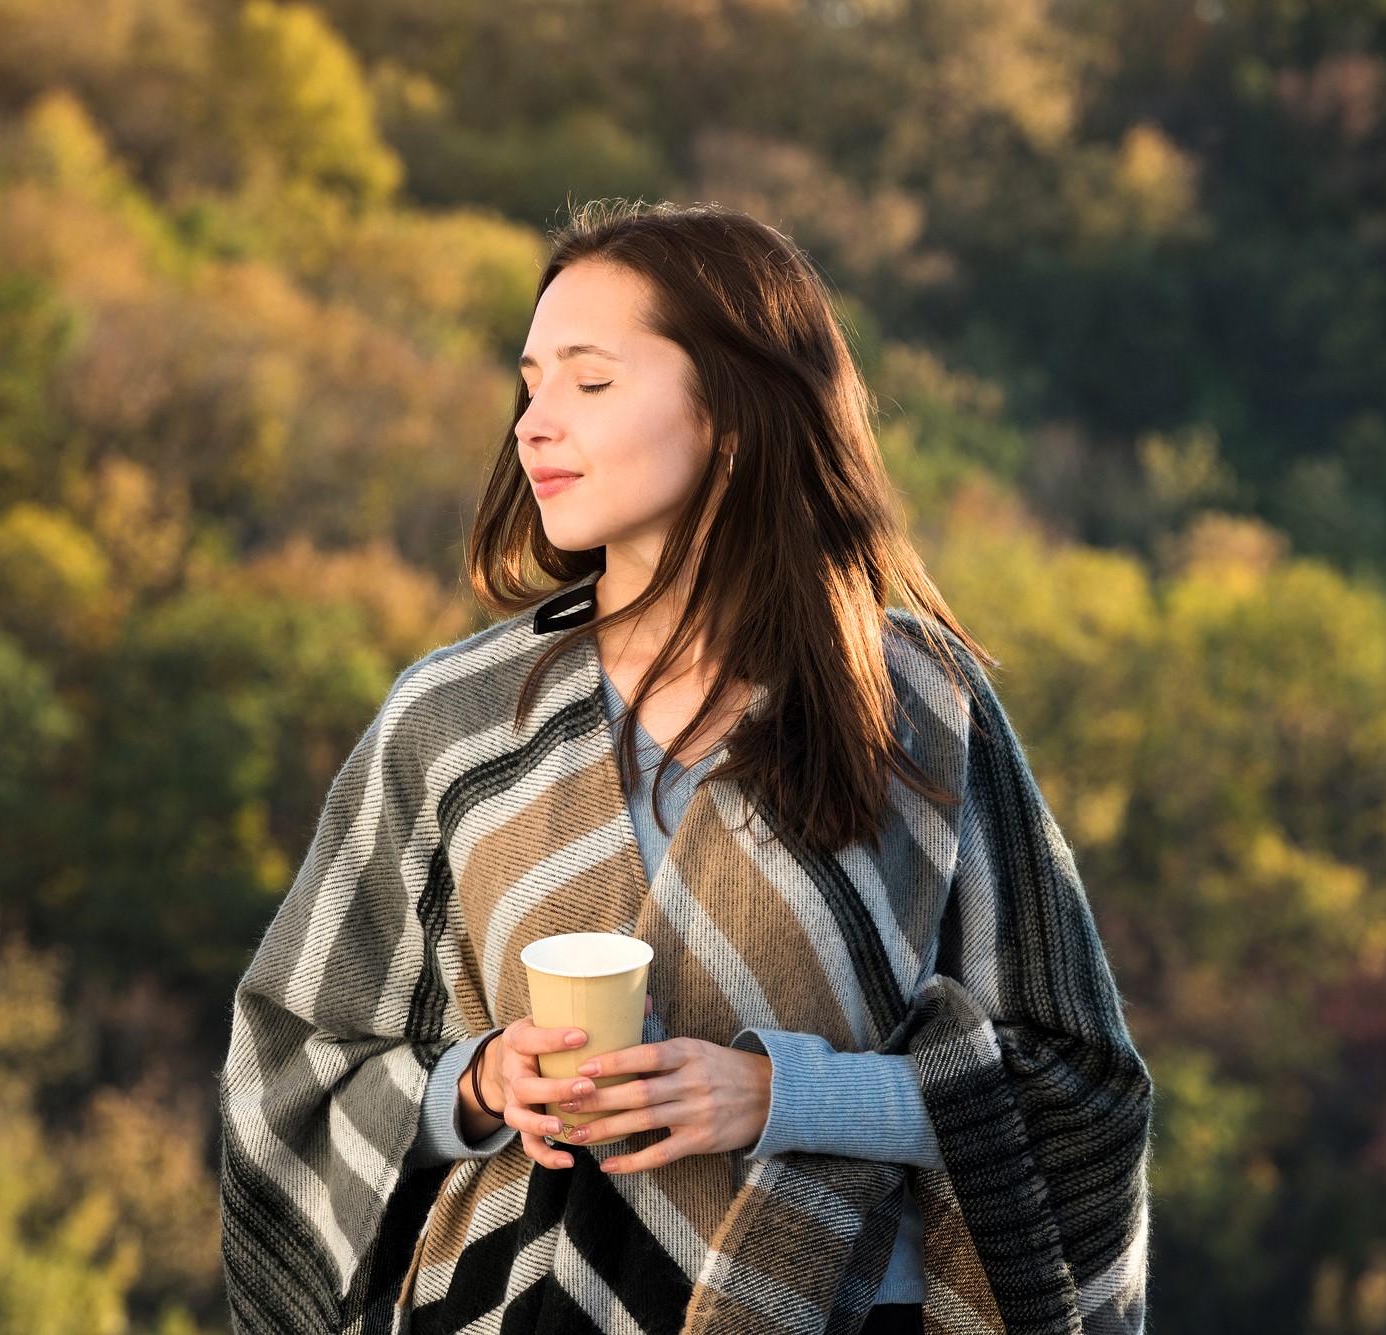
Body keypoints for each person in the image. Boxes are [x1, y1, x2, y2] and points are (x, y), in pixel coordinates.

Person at [218, 200, 1153, 1335]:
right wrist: (475, 1087)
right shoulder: (451, 723)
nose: (533, 423)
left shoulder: (914, 702)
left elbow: (1077, 1093)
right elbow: (292, 1072)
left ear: (731, 412)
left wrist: (782, 1096)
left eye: (590, 383)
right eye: (530, 382)